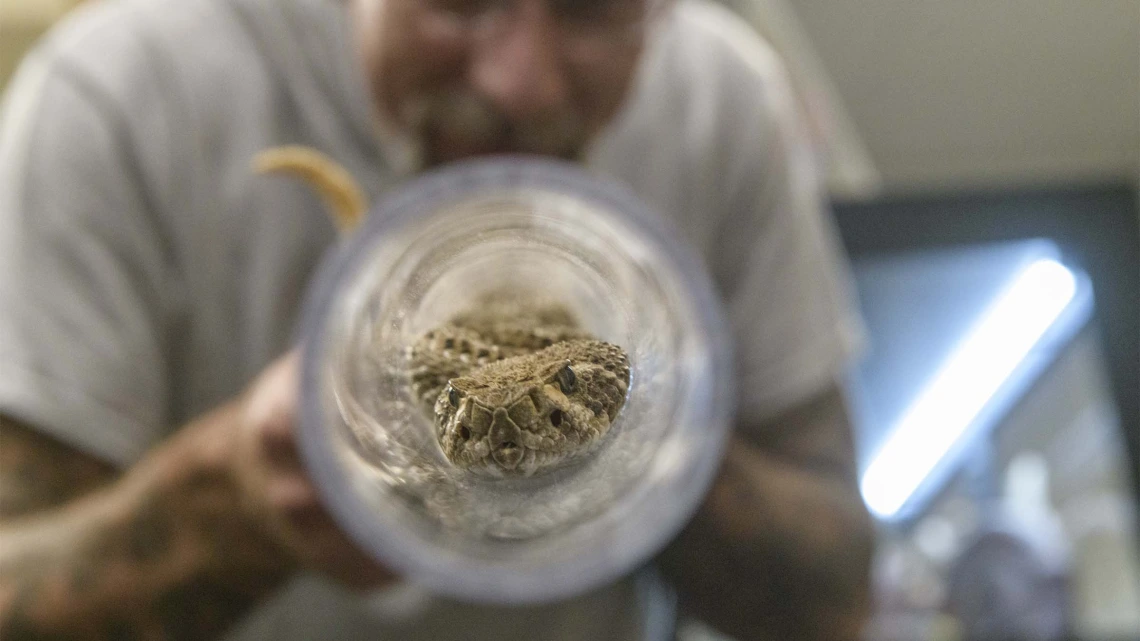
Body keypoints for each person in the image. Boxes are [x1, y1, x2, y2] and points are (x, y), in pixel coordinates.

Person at [0, 0, 874, 638]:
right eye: (459, 3)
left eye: (592, 12)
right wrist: (238, 497)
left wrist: (657, 443)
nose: (524, 85)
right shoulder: (118, 92)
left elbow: (837, 589)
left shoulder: (722, 97)